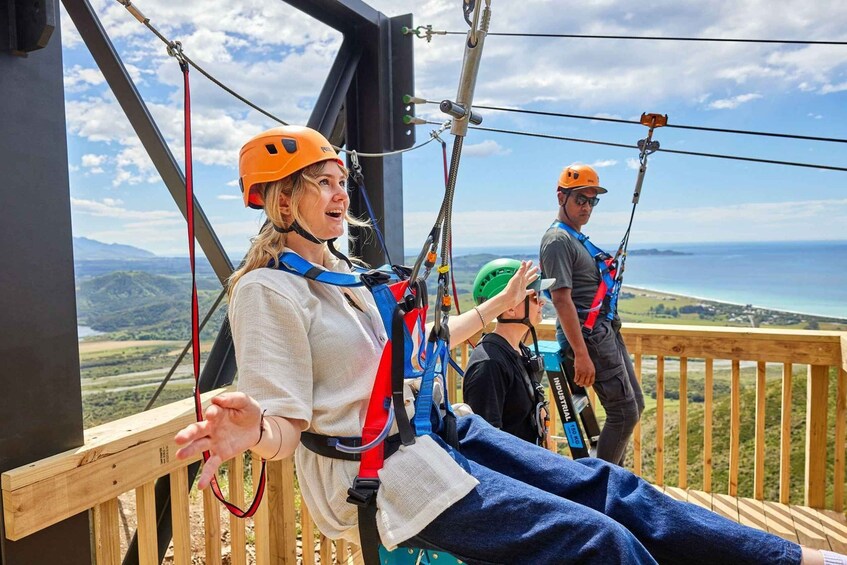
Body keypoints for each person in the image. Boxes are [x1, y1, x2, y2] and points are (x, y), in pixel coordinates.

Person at [174, 126, 839, 565]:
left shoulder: (345, 278)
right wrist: (253, 428)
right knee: (597, 540)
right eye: (321, 181)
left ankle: (791, 560)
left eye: (339, 179)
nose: (339, 190)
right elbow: (286, 426)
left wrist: (491, 310)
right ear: (280, 202)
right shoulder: (268, 290)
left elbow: (421, 348)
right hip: (380, 472)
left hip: (435, 430)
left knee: (611, 486)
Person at [540, 163, 645, 466]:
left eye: (591, 201)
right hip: (588, 337)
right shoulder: (557, 241)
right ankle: (604, 488)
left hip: (603, 331)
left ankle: (611, 480)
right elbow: (561, 300)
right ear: (561, 198)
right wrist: (581, 354)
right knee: (623, 412)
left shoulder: (574, 239)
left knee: (634, 404)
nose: (587, 207)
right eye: (580, 200)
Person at [463, 258, 554, 445]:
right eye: (535, 296)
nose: (542, 301)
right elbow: (486, 444)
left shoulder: (520, 351)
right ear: (510, 308)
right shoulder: (489, 364)